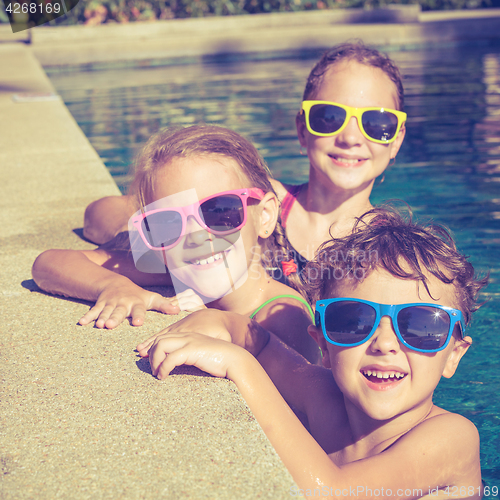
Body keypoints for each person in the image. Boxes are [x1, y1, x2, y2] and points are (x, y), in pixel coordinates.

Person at [137, 207, 488, 497]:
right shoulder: (323, 396)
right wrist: (223, 323)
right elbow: (262, 344)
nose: (384, 343)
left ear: (454, 354)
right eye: (353, 320)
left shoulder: (452, 438)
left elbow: (331, 493)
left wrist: (239, 366)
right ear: (322, 342)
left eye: (420, 325)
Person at [82, 41, 407, 277]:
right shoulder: (254, 206)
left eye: (378, 124)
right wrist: (142, 238)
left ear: (396, 140)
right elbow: (100, 215)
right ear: (302, 130)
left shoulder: (396, 251)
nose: (351, 138)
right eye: (328, 117)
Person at [32, 125, 319, 362]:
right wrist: (114, 285)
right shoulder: (176, 265)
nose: (196, 235)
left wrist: (227, 326)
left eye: (220, 211)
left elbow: (303, 410)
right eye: (168, 222)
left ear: (265, 216)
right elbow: (48, 263)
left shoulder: (284, 317)